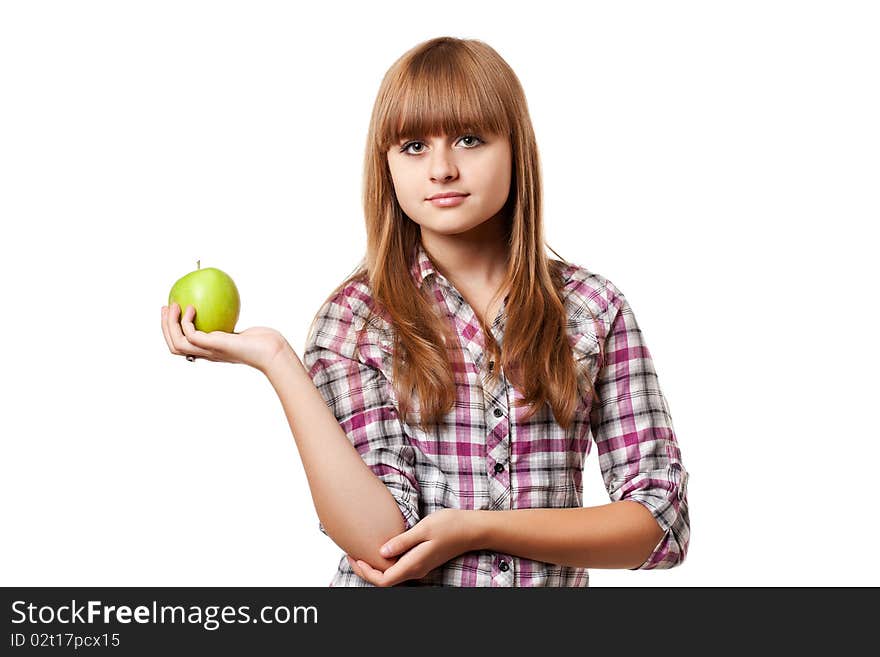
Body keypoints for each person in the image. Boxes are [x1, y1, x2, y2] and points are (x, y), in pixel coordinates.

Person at [160, 36, 690, 587]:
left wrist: (480, 529)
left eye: (468, 139)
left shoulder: (592, 309)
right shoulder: (355, 320)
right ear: (385, 164)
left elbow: (662, 525)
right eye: (413, 146)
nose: (441, 169)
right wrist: (275, 358)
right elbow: (381, 545)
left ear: (516, 150)